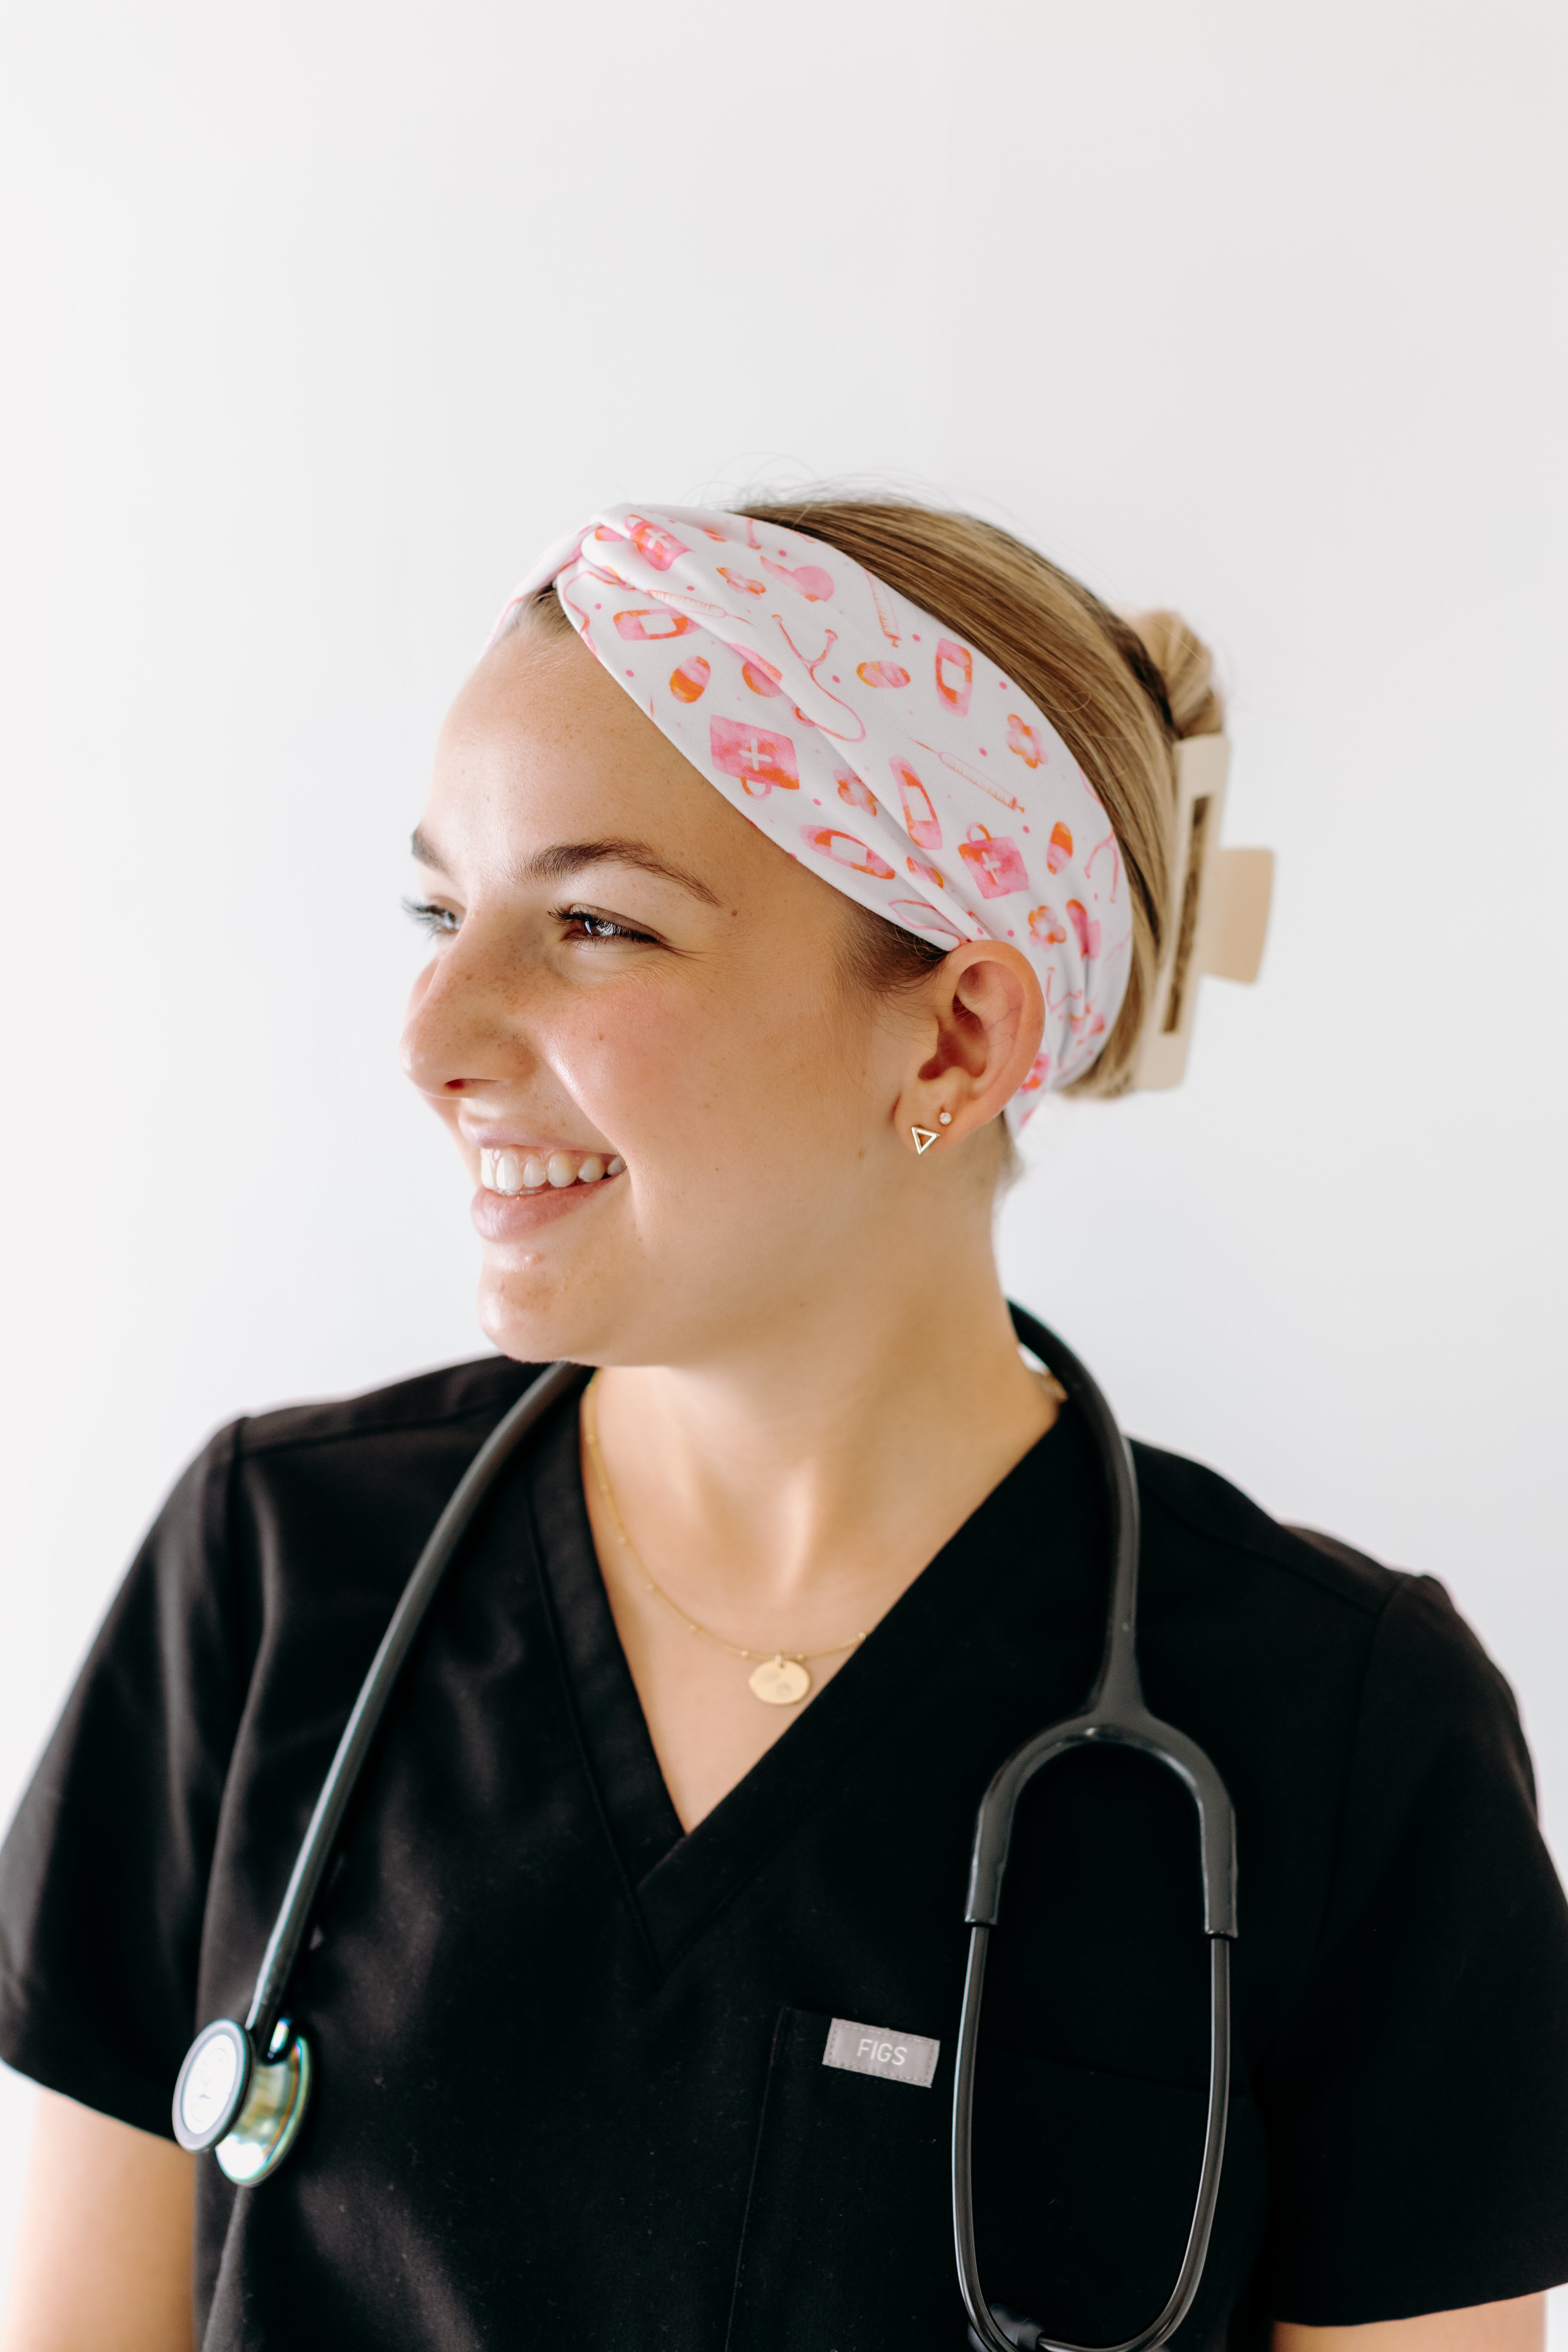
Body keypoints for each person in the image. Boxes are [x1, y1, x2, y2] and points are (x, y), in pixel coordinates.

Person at [2, 496, 1565, 2352]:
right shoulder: (274, 1564)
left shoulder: (1345, 1734)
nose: (432, 1036)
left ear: (957, 1039)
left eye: (596, 925)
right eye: (439, 910)